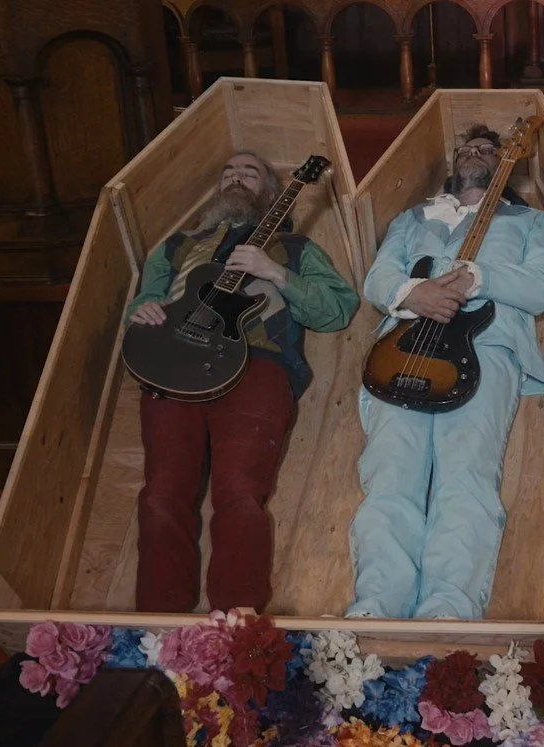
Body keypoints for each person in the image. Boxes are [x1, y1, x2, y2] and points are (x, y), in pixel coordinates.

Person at [126, 150, 359, 613]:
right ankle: (156, 624)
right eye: (228, 171)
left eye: (250, 172)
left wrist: (274, 272)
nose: (236, 177)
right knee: (160, 495)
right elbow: (143, 304)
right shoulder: (175, 246)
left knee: (239, 492)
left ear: (272, 195)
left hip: (257, 366)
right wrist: (144, 311)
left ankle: (237, 624)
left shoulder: (296, 249)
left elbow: (336, 310)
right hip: (171, 367)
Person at [348, 124, 544, 620]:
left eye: (487, 149)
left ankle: (449, 610)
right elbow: (378, 277)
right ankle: (377, 606)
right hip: (403, 348)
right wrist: (411, 293)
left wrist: (478, 277)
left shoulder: (530, 221)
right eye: (467, 148)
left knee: (465, 476)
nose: (475, 153)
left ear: (506, 164)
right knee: (389, 475)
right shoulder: (412, 218)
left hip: (483, 347)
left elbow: (541, 288)